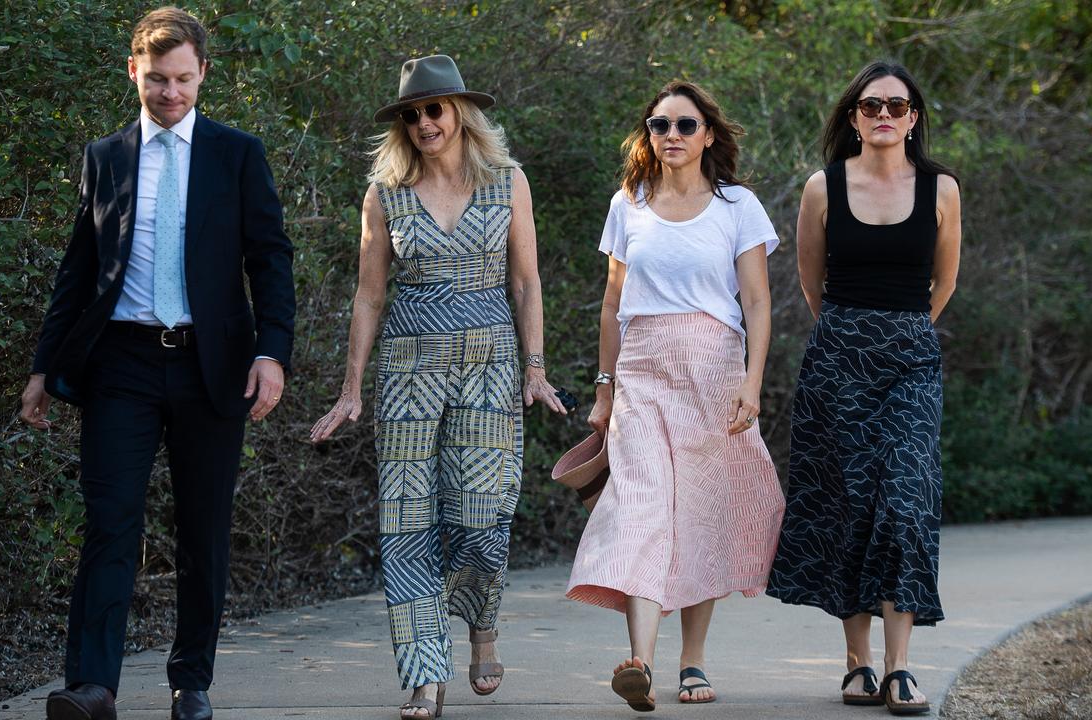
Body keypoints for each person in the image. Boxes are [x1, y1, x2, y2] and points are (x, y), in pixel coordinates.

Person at [17, 7, 295, 720]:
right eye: (156, 79)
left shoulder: (238, 154)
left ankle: (190, 681)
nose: (169, 93)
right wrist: (44, 367)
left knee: (202, 529)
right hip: (122, 365)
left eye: (182, 79)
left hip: (213, 367)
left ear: (203, 73)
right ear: (132, 71)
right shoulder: (106, 155)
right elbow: (78, 271)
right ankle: (92, 686)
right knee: (110, 521)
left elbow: (270, 261)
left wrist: (271, 353)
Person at [308, 54, 566, 719]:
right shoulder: (384, 192)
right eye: (412, 113)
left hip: (489, 363)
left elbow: (526, 282)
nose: (424, 121)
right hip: (407, 370)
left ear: (460, 114)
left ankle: (481, 625)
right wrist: (351, 387)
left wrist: (535, 368)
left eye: (435, 109)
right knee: (407, 521)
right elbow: (368, 298)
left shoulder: (508, 181)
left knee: (483, 515)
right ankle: (425, 671)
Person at [565, 80, 786, 712]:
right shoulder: (628, 202)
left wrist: (752, 382)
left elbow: (758, 302)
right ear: (649, 134)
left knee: (698, 514)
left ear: (707, 134)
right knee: (640, 507)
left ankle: (692, 662)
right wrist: (604, 391)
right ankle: (640, 661)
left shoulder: (737, 205)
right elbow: (612, 304)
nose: (672, 136)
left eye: (685, 125)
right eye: (660, 125)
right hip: (641, 371)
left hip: (713, 371)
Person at [764, 61, 962, 716]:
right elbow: (810, 280)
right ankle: (857, 664)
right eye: (871, 105)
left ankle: (901, 667)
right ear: (852, 116)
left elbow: (946, 282)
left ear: (913, 117)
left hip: (910, 361)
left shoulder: (942, 187)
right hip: (838, 361)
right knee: (849, 507)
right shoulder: (823, 188)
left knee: (905, 503)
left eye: (897, 107)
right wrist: (853, 336)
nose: (884, 115)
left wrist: (902, 336)